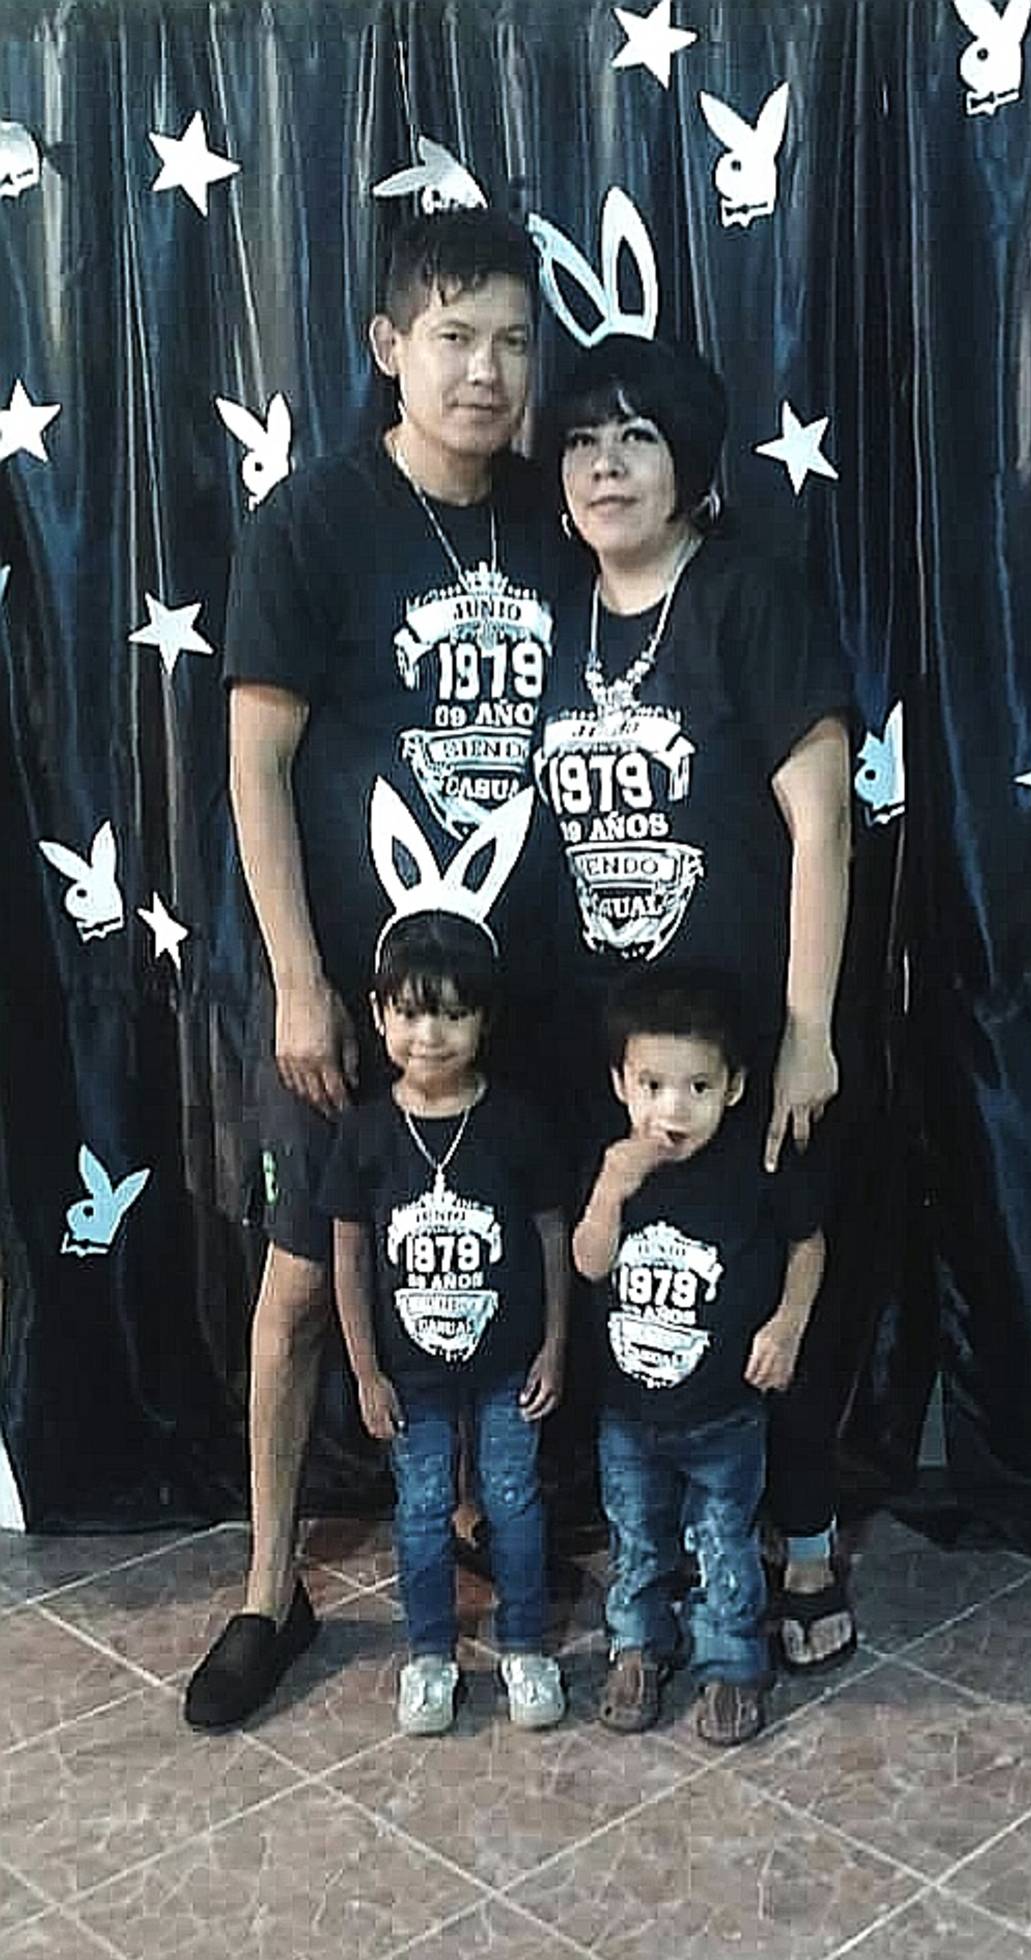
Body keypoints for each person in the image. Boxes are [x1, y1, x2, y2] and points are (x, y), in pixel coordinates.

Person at [185, 206, 559, 1731]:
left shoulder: (552, 510)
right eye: (455, 337)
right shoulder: (315, 523)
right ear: (389, 346)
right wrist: (297, 977)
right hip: (356, 999)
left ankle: (476, 1518)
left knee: (499, 1248)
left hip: (520, 996)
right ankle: (269, 1584)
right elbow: (255, 762)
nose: (487, 372)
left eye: (514, 340)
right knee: (299, 1283)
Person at [537, 334, 856, 1671]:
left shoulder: (745, 598)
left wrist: (808, 1030)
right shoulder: (553, 615)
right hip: (615, 1059)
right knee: (649, 1304)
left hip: (748, 1051)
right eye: (583, 440)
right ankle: (661, 1559)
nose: (606, 465)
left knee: (769, 1295)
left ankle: (809, 1545)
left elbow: (823, 820)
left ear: (692, 467)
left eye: (638, 438)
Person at [319, 908, 567, 1732]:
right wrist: (365, 1370)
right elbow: (349, 1257)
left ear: (484, 1020)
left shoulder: (518, 1121)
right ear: (379, 1013)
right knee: (423, 1506)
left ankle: (526, 1645)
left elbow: (553, 1236)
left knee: (513, 1498)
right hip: (409, 1371)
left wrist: (555, 1347)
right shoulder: (364, 1132)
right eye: (412, 1012)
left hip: (509, 1363)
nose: (431, 1035)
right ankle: (430, 1654)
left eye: (454, 1014)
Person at [574, 967, 825, 1745]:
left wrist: (786, 1325)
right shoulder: (613, 1166)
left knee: (724, 1541)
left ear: (735, 1087)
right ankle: (637, 1646)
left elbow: (808, 1242)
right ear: (620, 1083)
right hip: (628, 1414)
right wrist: (609, 1192)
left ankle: (732, 1660)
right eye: (652, 1085)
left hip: (725, 1412)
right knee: (635, 1539)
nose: (673, 1110)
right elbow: (588, 1263)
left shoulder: (756, 1167)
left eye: (698, 1087)